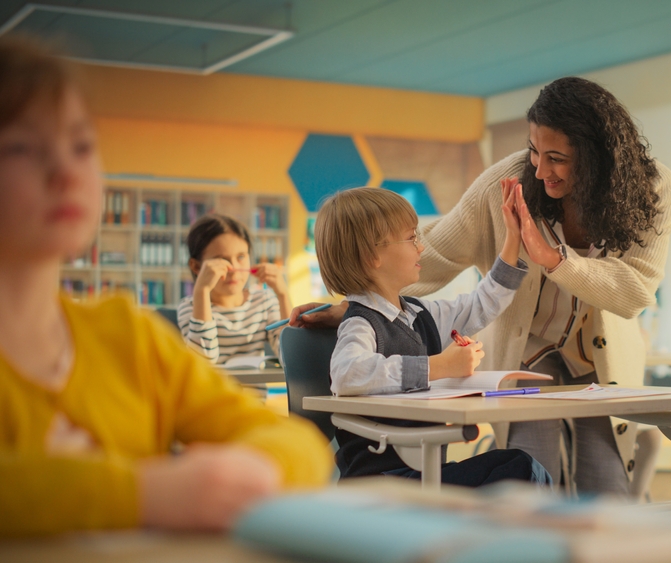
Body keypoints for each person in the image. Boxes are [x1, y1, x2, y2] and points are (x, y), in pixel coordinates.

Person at [0, 35, 332, 538]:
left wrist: (239, 476)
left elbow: (299, 446)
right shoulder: (163, 321)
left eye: (82, 145)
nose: (65, 171)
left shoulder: (126, 335)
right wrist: (146, 493)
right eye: (22, 147)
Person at [292, 77, 671, 494]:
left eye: (557, 158)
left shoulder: (653, 188)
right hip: (525, 352)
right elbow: (436, 254)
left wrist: (553, 259)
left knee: (607, 489)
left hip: (600, 357)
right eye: (534, 150)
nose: (539, 168)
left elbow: (636, 290)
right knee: (530, 475)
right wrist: (357, 303)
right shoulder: (509, 181)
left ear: (597, 158)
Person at [315, 186, 550, 486]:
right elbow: (348, 374)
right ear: (372, 255)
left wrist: (512, 241)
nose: (421, 247)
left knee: (519, 468)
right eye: (412, 237)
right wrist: (440, 366)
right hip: (381, 481)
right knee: (519, 470)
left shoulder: (419, 314)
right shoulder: (360, 324)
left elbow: (480, 304)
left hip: (424, 471)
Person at [177, 214, 291, 364]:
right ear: (196, 266)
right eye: (222, 260)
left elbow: (290, 358)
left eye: (241, 257)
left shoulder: (264, 301)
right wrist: (201, 290)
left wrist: (283, 295)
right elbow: (203, 362)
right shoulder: (190, 307)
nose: (234, 269)